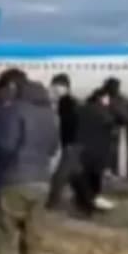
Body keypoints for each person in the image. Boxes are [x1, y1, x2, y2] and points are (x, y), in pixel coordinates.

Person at [0, 77, 58, 254]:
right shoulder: (49, 115)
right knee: (32, 241)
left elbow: (6, 146)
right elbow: (53, 148)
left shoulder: (14, 111)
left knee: (3, 237)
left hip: (14, 180)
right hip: (41, 181)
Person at [72, 88, 116, 216]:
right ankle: (91, 204)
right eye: (107, 98)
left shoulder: (81, 109)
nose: (109, 101)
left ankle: (82, 204)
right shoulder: (102, 112)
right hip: (97, 151)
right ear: (100, 98)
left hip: (81, 148)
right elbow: (113, 123)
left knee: (83, 177)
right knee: (94, 179)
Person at [46, 74, 80, 210]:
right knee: (70, 172)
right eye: (54, 86)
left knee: (61, 173)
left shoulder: (69, 103)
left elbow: (69, 123)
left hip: (69, 143)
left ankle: (52, 201)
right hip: (63, 142)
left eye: (58, 86)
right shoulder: (52, 102)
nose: (55, 89)